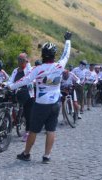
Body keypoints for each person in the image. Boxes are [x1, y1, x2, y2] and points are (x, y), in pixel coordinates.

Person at [8, 31, 72, 164]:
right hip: (55, 103)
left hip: (40, 104)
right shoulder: (60, 65)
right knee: (50, 130)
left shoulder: (37, 69)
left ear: (42, 55)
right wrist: (67, 40)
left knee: (33, 130)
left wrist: (10, 87)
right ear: (54, 55)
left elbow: (24, 81)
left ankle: (26, 154)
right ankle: (46, 156)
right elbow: (66, 54)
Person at [8, 53, 35, 142]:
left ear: (26, 61)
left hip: (28, 91)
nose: (20, 62)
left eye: (22, 60)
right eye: (19, 59)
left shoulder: (28, 69)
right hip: (17, 90)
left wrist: (27, 63)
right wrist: (7, 85)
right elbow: (10, 80)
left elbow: (29, 75)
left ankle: (28, 131)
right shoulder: (15, 70)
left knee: (28, 112)